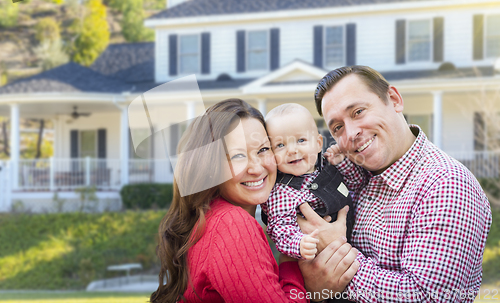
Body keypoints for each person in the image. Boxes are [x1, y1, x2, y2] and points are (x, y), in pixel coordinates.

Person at [297, 65, 493, 302]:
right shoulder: (356, 175)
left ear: (394, 99)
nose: (350, 133)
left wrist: (336, 257)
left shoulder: (446, 184)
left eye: (358, 111)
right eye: (337, 127)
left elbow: (428, 297)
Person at [149, 98, 359, 303]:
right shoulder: (232, 225)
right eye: (238, 156)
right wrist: (309, 286)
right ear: (211, 166)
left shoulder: (212, 217)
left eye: (263, 149)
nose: (257, 168)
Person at [261, 103, 354, 260]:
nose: (292, 150)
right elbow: (280, 228)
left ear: (318, 144)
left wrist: (342, 163)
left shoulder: (326, 165)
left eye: (301, 140)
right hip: (320, 257)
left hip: (356, 243)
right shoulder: (281, 192)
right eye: (280, 145)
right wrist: (299, 243)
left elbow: (355, 185)